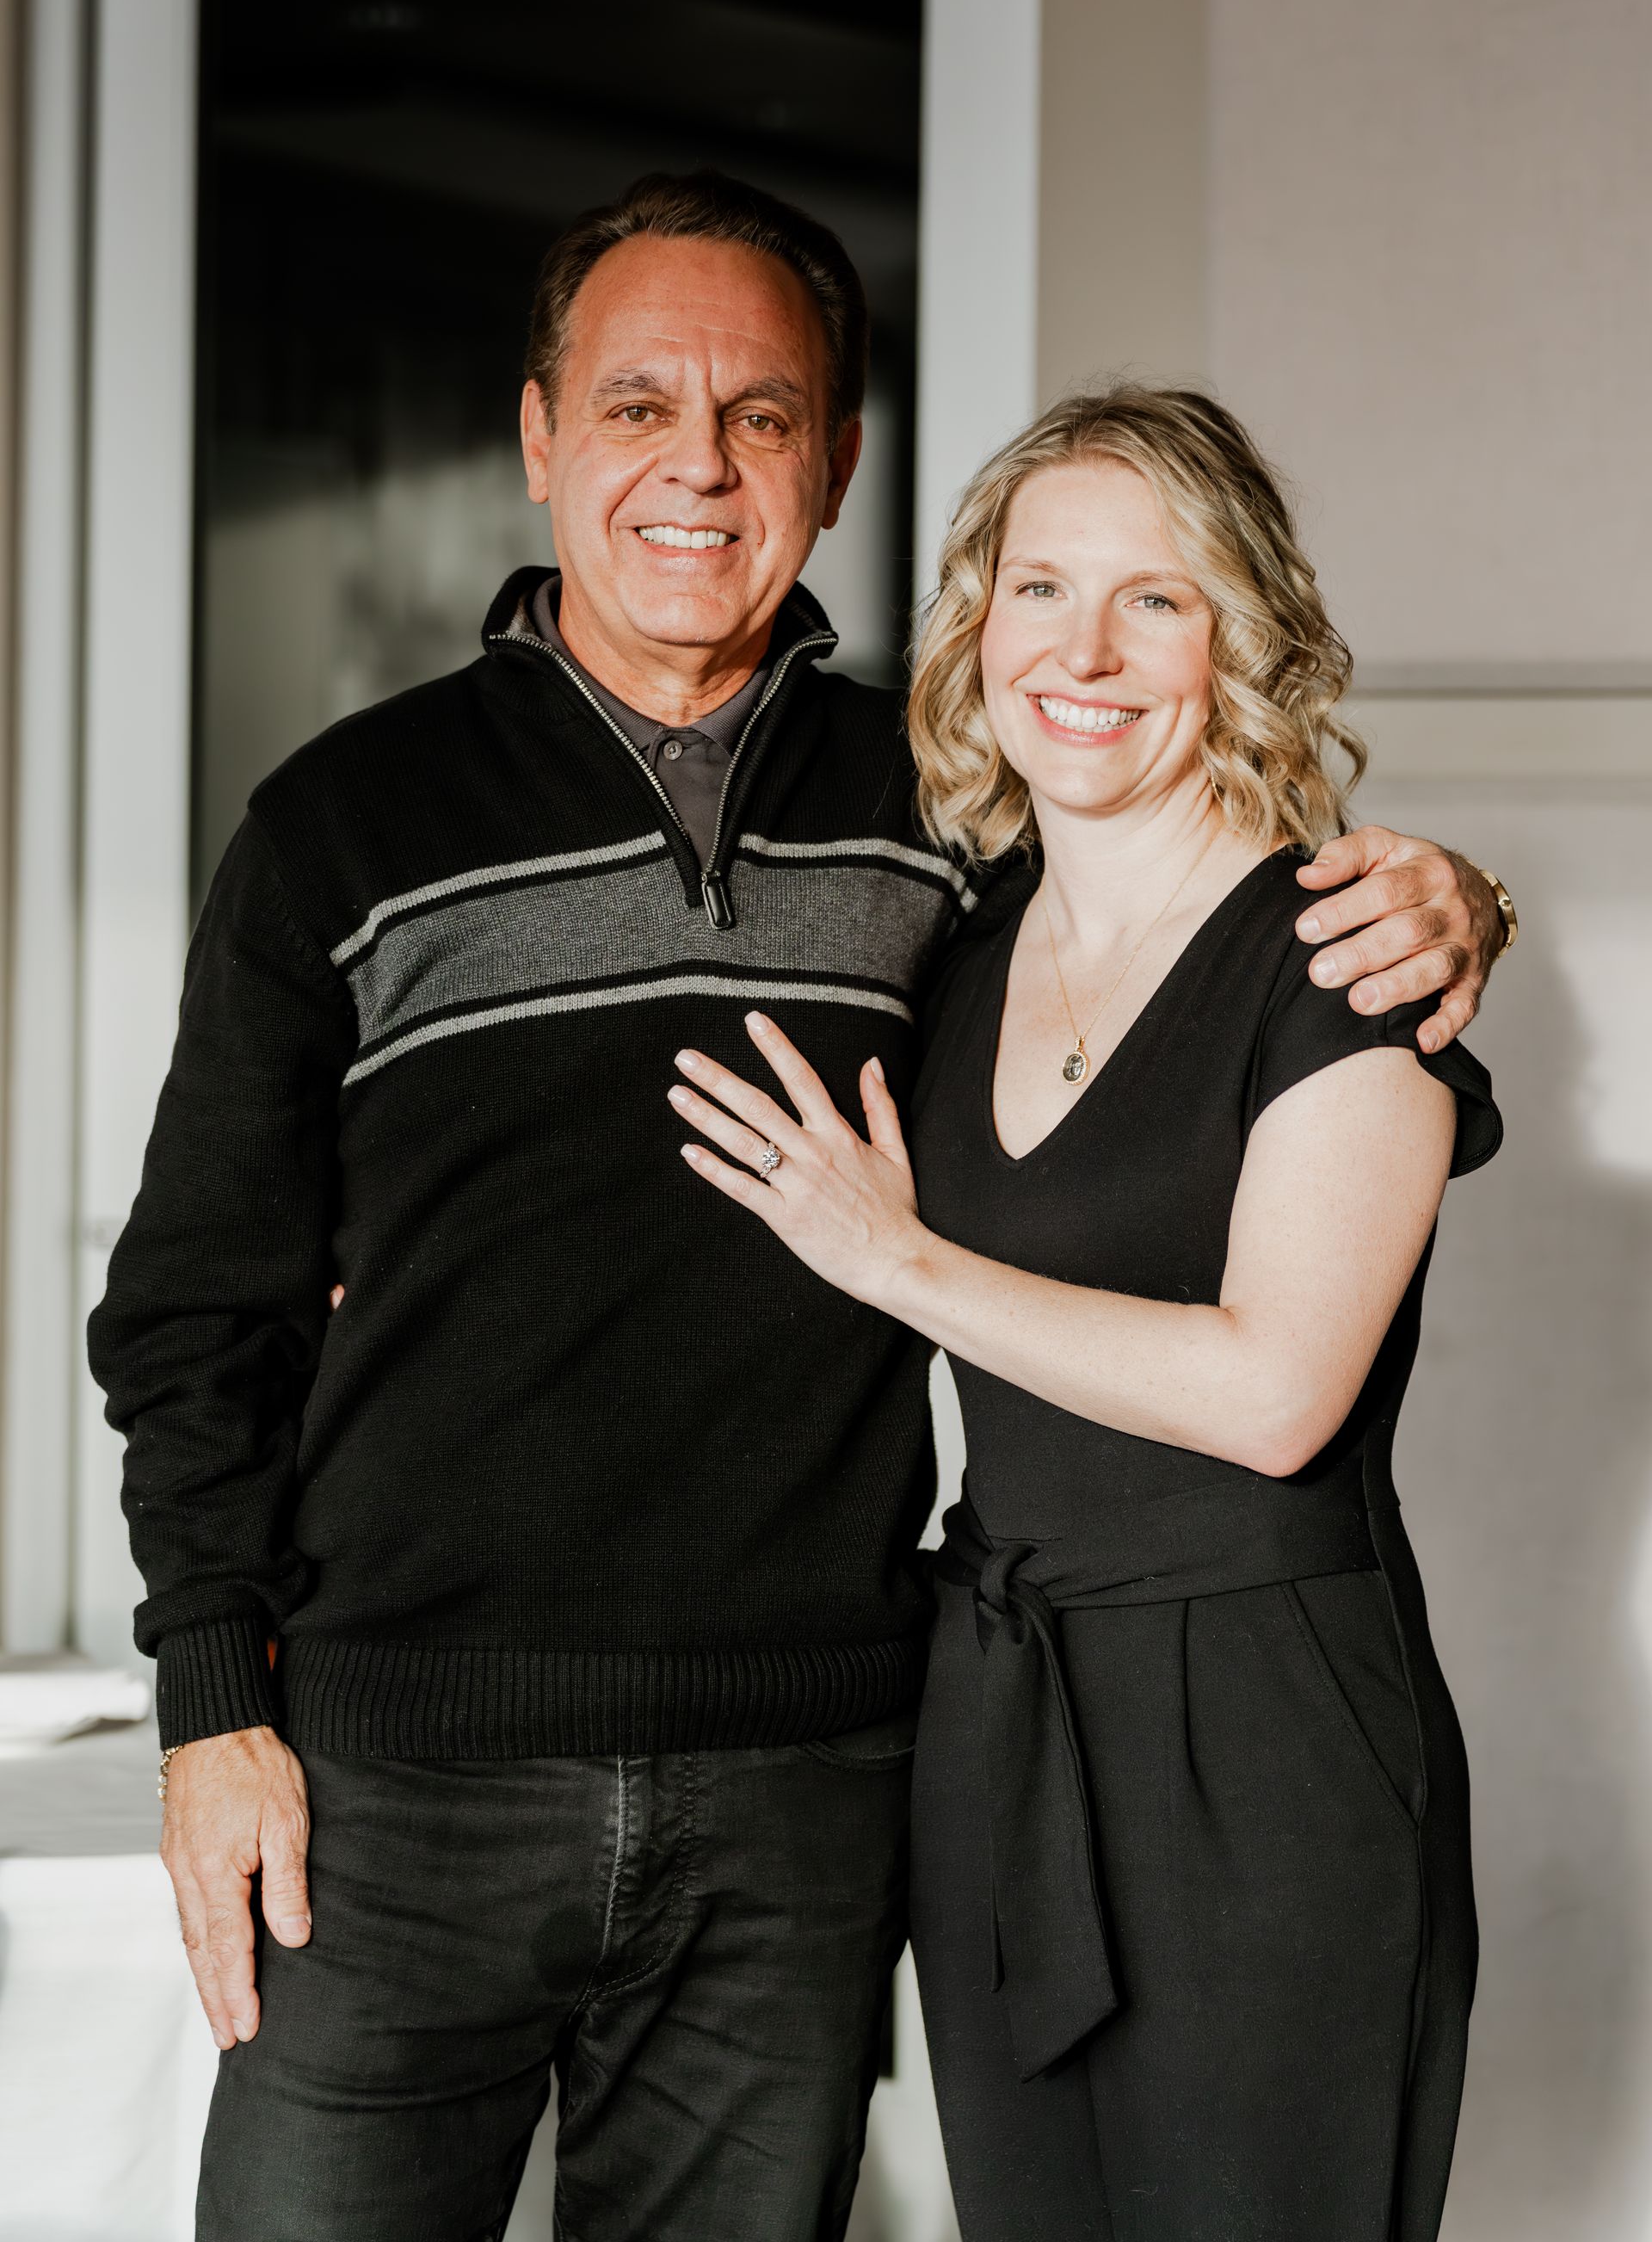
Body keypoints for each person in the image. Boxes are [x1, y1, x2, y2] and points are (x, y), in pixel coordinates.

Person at [90, 174, 1507, 2242]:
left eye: (763, 416)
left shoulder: (943, 825)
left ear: (836, 467)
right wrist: (213, 1703)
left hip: (811, 1786)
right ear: (539, 439)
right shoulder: (345, 825)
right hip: (402, 1791)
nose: (699, 461)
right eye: (639, 402)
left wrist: (1452, 903)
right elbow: (196, 1307)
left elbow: (1204, 949)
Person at [668, 386, 1502, 2242]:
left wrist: (905, 1265)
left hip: (1267, 1741)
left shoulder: (1343, 958)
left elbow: (1279, 1394)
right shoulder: (952, 952)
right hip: (1001, 1729)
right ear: (977, 626)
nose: (1086, 653)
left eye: (1158, 599)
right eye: (1041, 589)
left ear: (1243, 639)